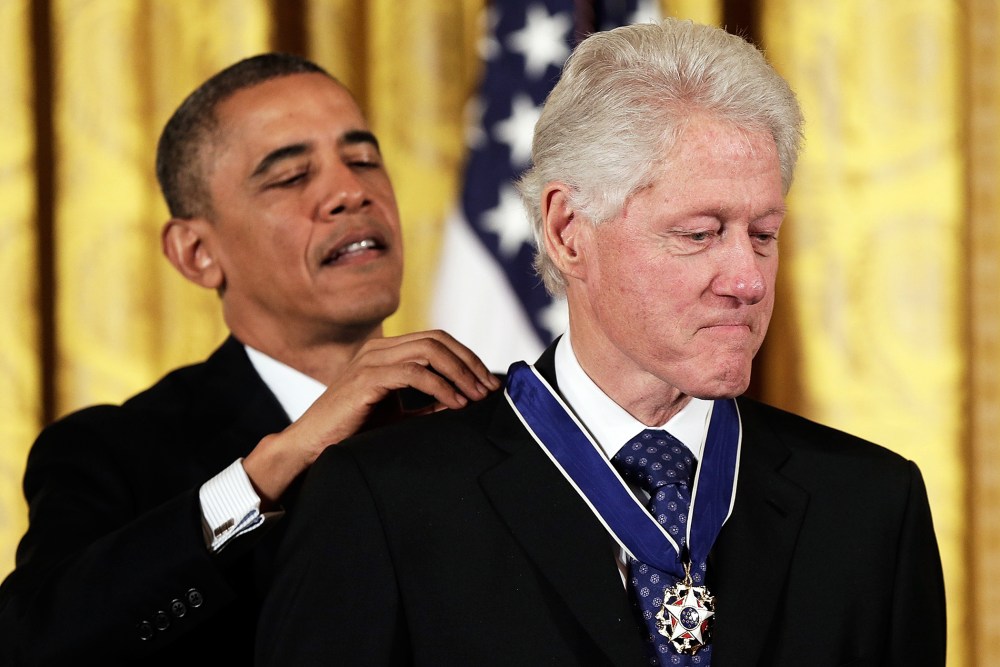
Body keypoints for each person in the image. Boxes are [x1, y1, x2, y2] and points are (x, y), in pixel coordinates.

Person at [256, 18, 946, 667]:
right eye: (699, 233)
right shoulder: (387, 502)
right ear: (567, 230)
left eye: (762, 234)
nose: (747, 280)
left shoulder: (873, 507)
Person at [0, 54, 500, 666]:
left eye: (364, 159)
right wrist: (272, 468)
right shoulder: (114, 452)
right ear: (197, 253)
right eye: (291, 177)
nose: (350, 192)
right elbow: (34, 647)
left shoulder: (497, 414)